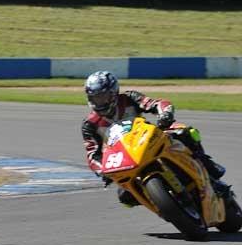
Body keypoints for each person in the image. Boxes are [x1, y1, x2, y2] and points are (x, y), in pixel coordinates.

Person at [81, 70, 228, 206]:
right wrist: (103, 170)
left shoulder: (129, 98)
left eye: (102, 97)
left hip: (148, 140)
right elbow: (93, 155)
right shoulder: (90, 124)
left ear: (113, 93)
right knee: (125, 197)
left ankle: (211, 171)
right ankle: (165, 206)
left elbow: (156, 103)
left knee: (184, 132)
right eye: (94, 97)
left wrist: (164, 114)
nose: (98, 101)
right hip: (126, 159)